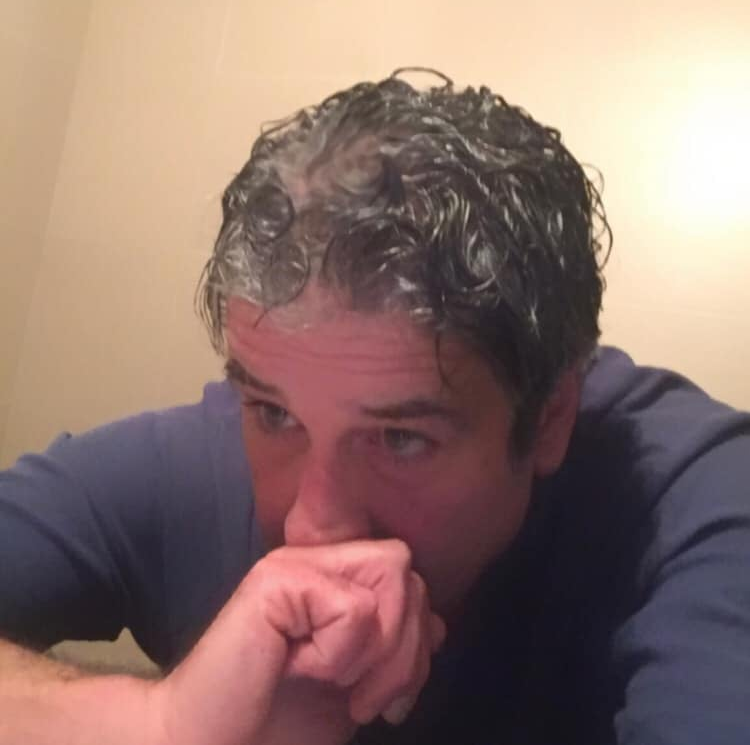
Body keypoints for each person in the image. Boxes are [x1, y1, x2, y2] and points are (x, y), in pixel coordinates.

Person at [1, 68, 748, 745]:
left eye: (399, 438)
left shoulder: (695, 499)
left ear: (550, 417)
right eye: (274, 414)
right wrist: (161, 726)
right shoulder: (187, 462)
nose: (311, 527)